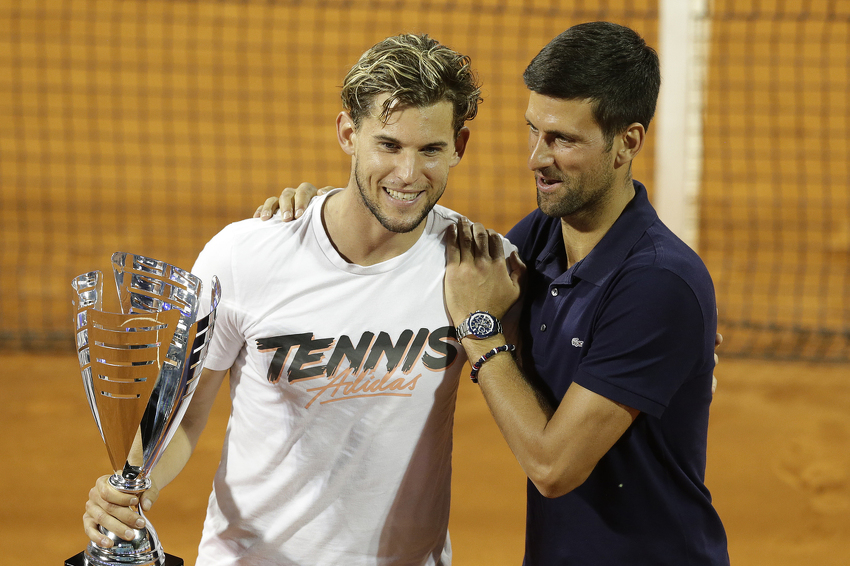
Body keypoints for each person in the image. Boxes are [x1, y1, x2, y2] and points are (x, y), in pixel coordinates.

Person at [261, 21, 728, 566]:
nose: (536, 157)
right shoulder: (539, 239)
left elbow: (552, 467)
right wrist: (332, 210)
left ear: (627, 142)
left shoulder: (657, 283)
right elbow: (419, 250)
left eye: (563, 140)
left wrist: (480, 329)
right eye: (534, 131)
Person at [83, 33, 516, 565]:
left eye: (430, 150)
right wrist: (131, 486)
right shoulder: (248, 255)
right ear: (347, 133)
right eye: (388, 145)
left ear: (459, 147)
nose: (408, 174)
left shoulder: (478, 267)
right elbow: (181, 420)